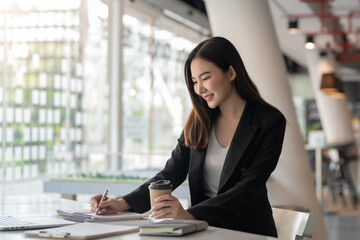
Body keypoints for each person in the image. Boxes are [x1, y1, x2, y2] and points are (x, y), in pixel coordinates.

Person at [90, 36, 286, 237]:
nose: (199, 89)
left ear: (231, 72)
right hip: (203, 230)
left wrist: (190, 214)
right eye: (194, 81)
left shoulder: (270, 122)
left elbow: (248, 188)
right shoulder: (199, 121)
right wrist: (122, 203)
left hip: (248, 232)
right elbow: (171, 173)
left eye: (206, 77)